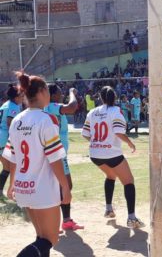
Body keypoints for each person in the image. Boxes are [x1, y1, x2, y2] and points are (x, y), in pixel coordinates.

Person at [3, 71, 71, 256]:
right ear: (41, 92)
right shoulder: (46, 119)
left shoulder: (17, 120)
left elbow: (14, 158)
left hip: (24, 187)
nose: (49, 94)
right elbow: (55, 158)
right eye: (47, 90)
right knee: (51, 239)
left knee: (41, 237)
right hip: (43, 189)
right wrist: (65, 187)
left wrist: (12, 184)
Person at [81, 86, 144, 228]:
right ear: (114, 97)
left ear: (101, 98)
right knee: (128, 181)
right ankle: (132, 218)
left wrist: (97, 143)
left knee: (110, 176)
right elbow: (118, 132)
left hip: (95, 154)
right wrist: (130, 143)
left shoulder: (92, 112)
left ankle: (109, 209)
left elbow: (85, 134)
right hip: (112, 154)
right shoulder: (116, 111)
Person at [44, 85, 84, 231]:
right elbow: (72, 107)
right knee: (66, 186)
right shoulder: (52, 106)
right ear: (53, 95)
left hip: (55, 152)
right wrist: (72, 93)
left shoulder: (47, 107)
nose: (61, 96)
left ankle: (63, 221)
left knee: (58, 187)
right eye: (60, 93)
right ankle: (60, 221)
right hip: (57, 152)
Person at [0, 84, 23, 197]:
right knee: (12, 166)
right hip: (4, 139)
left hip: (1, 137)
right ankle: (14, 191)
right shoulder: (14, 106)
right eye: (21, 95)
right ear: (16, 97)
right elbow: (10, 123)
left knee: (7, 167)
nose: (23, 97)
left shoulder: (5, 104)